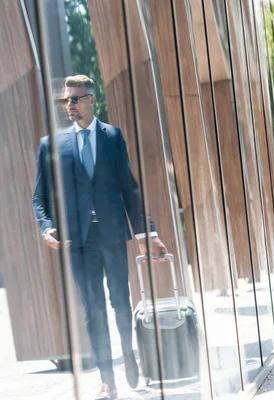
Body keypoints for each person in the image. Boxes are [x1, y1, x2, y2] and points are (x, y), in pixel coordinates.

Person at [32, 75, 168, 399]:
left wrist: (148, 233)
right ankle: (108, 379)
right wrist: (46, 226)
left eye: (75, 99)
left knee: (120, 302)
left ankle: (128, 352)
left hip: (111, 234)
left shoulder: (112, 138)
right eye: (66, 100)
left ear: (92, 100)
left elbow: (129, 189)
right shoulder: (51, 145)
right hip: (78, 240)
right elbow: (40, 196)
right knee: (92, 309)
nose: (70, 105)